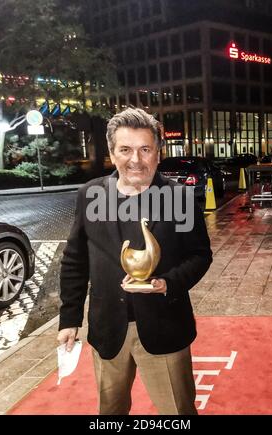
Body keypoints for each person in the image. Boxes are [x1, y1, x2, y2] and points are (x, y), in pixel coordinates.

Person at [57, 107, 212, 415]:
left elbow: (200, 255)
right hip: (107, 328)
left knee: (178, 412)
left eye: (145, 149)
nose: (136, 160)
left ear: (158, 152)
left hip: (164, 325)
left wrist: (168, 283)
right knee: (110, 412)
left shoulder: (179, 197)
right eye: (125, 149)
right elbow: (75, 259)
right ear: (112, 153)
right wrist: (70, 318)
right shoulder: (91, 195)